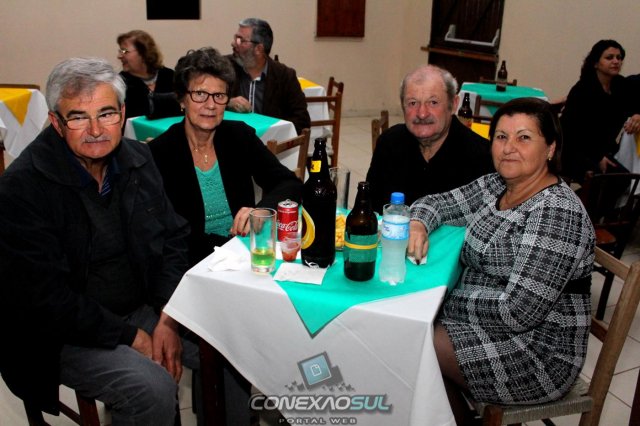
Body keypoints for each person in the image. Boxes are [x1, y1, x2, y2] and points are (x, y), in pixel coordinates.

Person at [0, 57, 197, 425]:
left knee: (227, 341)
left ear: (123, 114)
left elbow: (173, 236)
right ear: (56, 122)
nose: (95, 130)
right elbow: (45, 299)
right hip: (60, 331)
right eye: (78, 117)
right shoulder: (21, 189)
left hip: (140, 303)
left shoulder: (139, 157)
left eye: (106, 113)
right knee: (152, 388)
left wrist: (168, 317)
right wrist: (134, 337)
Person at [408, 98, 595, 424]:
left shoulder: (556, 211)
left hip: (538, 352)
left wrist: (442, 300)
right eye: (501, 137)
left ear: (550, 148)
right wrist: (417, 223)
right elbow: (439, 202)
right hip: (484, 322)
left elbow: (518, 311)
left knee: (414, 341)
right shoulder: (498, 184)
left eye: (524, 138)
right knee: (413, 340)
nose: (509, 148)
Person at [149, 46, 303, 266]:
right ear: (182, 100)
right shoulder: (161, 152)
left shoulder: (238, 137)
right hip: (191, 262)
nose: (211, 105)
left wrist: (261, 210)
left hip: (244, 253)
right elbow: (167, 233)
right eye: (200, 94)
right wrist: (225, 250)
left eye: (219, 95)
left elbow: (289, 183)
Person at [365, 64, 494, 213]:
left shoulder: (482, 157)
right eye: (413, 103)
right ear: (403, 107)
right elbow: (367, 207)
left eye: (433, 102)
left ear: (453, 105)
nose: (422, 113)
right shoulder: (389, 143)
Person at [561, 39, 640, 182]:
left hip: (604, 150)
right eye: (609, 58)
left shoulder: (620, 85)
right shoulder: (583, 89)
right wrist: (597, 156)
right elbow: (573, 132)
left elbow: (633, 103)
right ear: (596, 63)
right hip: (575, 150)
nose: (616, 61)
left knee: (624, 179)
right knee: (612, 180)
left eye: (619, 58)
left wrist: (637, 114)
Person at [226, 17, 310, 135]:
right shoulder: (224, 68)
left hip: (271, 143)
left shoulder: (285, 76)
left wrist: (274, 133)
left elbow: (302, 120)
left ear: (258, 49)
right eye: (235, 38)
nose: (233, 43)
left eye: (240, 40)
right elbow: (204, 101)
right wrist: (227, 103)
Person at [117, 29, 182, 120]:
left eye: (124, 51)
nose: (119, 56)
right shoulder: (120, 83)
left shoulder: (170, 76)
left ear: (144, 53)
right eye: (120, 51)